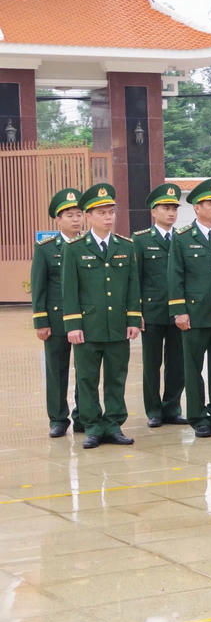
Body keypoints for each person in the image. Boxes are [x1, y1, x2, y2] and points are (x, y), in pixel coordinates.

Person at [60, 184, 141, 448]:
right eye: (102, 213)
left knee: (116, 377)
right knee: (87, 378)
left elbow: (133, 287)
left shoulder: (126, 247)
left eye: (111, 212)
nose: (108, 217)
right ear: (88, 216)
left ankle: (114, 424)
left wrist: (132, 319)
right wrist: (72, 325)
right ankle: (93, 425)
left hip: (118, 325)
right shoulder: (74, 249)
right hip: (88, 326)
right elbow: (69, 291)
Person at [169, 178, 211, 438]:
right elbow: (175, 276)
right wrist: (180, 310)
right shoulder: (183, 237)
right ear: (197, 207)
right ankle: (197, 417)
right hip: (194, 315)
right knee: (193, 368)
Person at [132, 184, 187, 428]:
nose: (171, 213)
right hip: (152, 312)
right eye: (166, 208)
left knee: (177, 363)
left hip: (179, 314)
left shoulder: (183, 238)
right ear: (154, 212)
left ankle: (172, 407)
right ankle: (153, 410)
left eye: (174, 208)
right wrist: (136, 312)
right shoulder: (141, 240)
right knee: (152, 364)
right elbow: (135, 279)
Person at [32, 187, 82, 437]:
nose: (76, 219)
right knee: (57, 370)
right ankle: (58, 419)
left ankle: (83, 414)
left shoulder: (87, 245)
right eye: (69, 215)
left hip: (85, 320)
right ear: (58, 220)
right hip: (56, 320)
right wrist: (41, 321)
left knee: (85, 371)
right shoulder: (45, 248)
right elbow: (39, 287)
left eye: (78, 214)